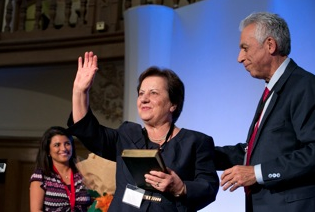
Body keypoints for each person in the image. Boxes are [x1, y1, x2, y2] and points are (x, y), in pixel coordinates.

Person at [66, 51, 219, 211]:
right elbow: (88, 131)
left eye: (153, 93)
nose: (144, 99)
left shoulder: (196, 142)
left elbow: (208, 187)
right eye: (141, 93)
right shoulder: (127, 135)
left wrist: (181, 188)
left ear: (173, 104)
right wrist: (79, 92)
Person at [215, 12, 315, 212]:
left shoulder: (304, 86)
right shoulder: (272, 90)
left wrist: (257, 173)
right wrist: (198, 150)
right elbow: (253, 152)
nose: (239, 58)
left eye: (245, 48)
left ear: (270, 45)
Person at [29, 126, 92, 212]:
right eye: (57, 145)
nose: (64, 148)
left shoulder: (83, 173)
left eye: (67, 143)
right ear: (48, 151)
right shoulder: (41, 176)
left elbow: (96, 202)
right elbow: (36, 210)